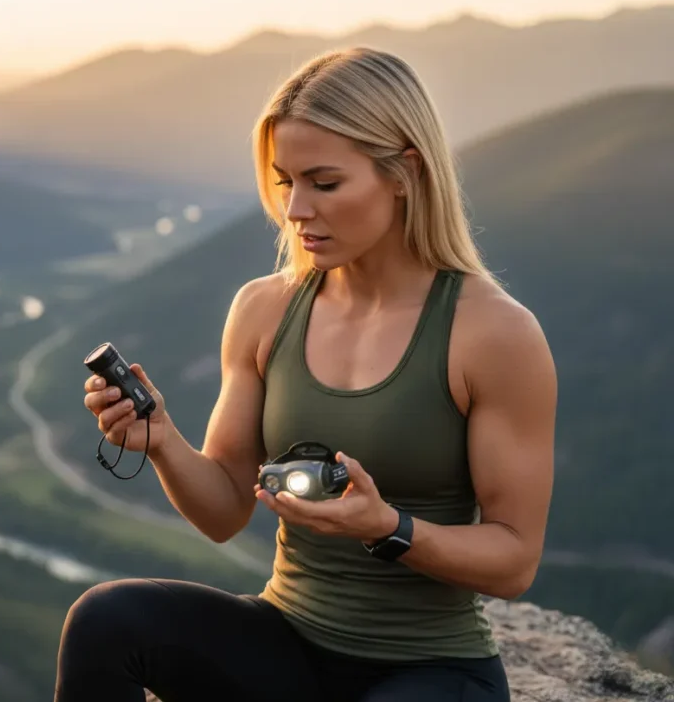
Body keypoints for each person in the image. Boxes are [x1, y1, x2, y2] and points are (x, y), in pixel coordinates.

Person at [57, 47, 557, 702]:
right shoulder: (266, 308)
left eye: (324, 183)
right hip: (287, 643)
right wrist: (163, 444)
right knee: (106, 619)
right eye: (285, 180)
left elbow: (515, 560)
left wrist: (388, 528)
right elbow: (223, 510)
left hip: (432, 668)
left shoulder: (493, 331)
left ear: (404, 171)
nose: (295, 209)